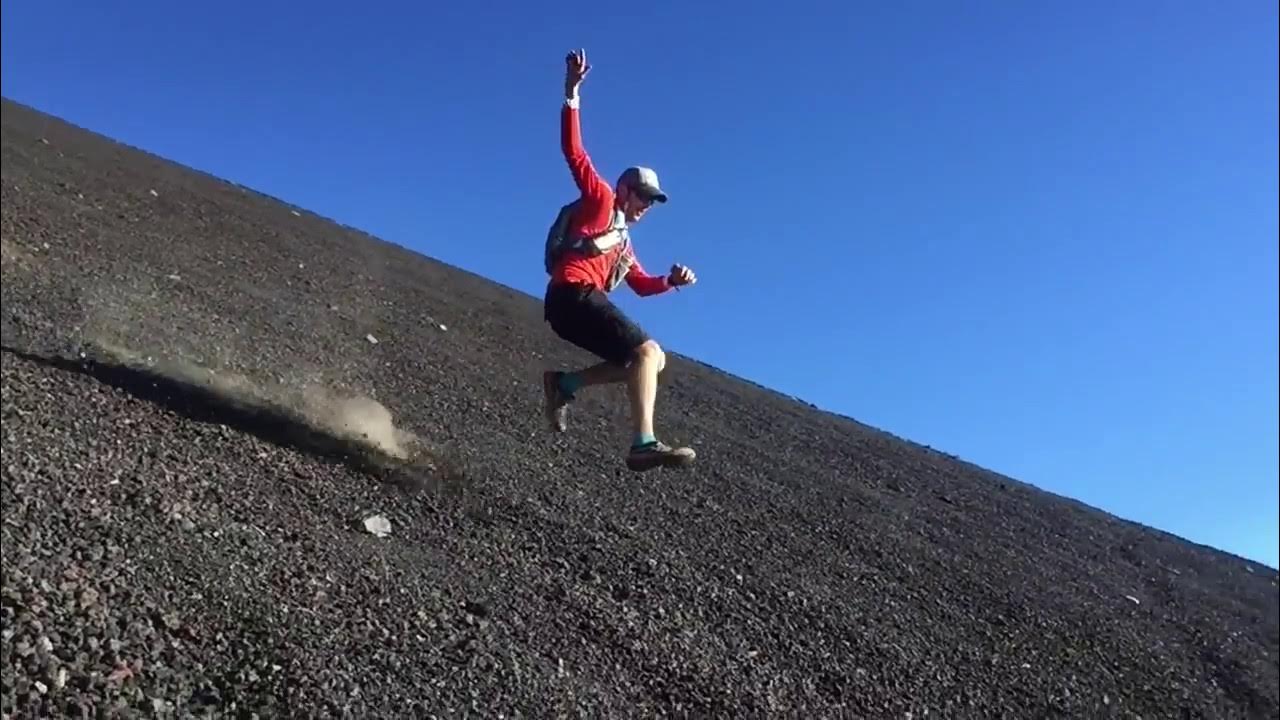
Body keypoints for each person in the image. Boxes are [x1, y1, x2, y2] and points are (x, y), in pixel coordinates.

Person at [541, 48, 698, 473]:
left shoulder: (623, 245)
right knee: (648, 351)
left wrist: (671, 280)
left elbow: (642, 285)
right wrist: (572, 92)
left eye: (653, 201)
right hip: (572, 293)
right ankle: (643, 443)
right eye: (644, 196)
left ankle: (565, 384)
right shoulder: (601, 200)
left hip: (570, 305)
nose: (647, 205)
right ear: (626, 190)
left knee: (649, 360)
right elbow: (574, 152)